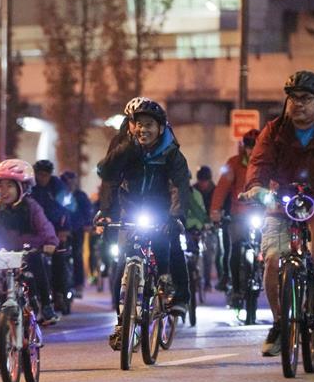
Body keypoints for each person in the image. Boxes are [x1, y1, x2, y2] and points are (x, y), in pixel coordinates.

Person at [241, 70, 314, 356]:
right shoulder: (273, 130)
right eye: (293, 99)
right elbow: (259, 162)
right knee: (271, 261)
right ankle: (280, 323)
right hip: (281, 203)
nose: (298, 105)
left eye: (305, 99)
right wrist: (255, 186)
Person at [97, 98, 192, 349]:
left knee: (170, 244)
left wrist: (175, 216)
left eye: (149, 124)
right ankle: (121, 322)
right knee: (122, 264)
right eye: (138, 124)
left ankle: (177, 293)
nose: (143, 130)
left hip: (161, 209)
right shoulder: (125, 146)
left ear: (160, 128)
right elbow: (107, 176)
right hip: (131, 208)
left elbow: (179, 187)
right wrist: (105, 211)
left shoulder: (171, 153)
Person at [0, 159, 60, 369]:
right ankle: (2, 350)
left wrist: (50, 243)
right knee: (3, 298)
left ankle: (46, 305)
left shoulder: (32, 207)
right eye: (0, 185)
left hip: (29, 253)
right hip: (5, 256)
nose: (3, 190)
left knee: (37, 267)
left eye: (9, 185)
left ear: (22, 188)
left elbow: (45, 228)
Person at [211, 129, 260, 308]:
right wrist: (215, 211)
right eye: (249, 147)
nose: (252, 150)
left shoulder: (267, 163)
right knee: (236, 247)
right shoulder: (233, 164)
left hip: (260, 213)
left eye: (256, 146)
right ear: (244, 147)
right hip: (238, 214)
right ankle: (237, 289)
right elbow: (222, 188)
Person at [31, 159, 70, 312]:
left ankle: (59, 293)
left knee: (59, 260)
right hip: (35, 231)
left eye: (45, 175)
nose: (42, 178)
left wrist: (64, 229)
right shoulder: (30, 186)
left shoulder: (58, 186)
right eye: (39, 174)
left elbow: (67, 209)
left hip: (56, 230)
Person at [59, 170, 93, 297]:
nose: (70, 184)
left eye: (72, 182)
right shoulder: (59, 195)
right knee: (60, 256)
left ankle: (79, 285)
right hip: (61, 231)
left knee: (77, 254)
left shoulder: (80, 196)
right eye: (67, 182)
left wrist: (88, 224)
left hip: (77, 229)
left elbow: (87, 210)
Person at [193, 166, 221, 291]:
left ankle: (208, 282)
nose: (202, 184)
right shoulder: (193, 191)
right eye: (201, 181)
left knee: (209, 253)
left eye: (204, 181)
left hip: (211, 227)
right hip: (196, 225)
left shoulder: (216, 191)